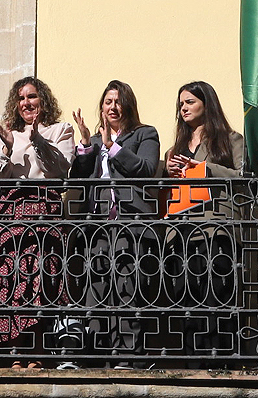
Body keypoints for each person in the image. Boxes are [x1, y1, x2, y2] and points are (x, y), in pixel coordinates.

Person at [0, 76, 75, 363]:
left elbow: (61, 169)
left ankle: (36, 350)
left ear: (43, 100)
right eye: (22, 98)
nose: (27, 103)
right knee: (11, 279)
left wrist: (38, 140)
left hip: (43, 211)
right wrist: (9, 147)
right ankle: (14, 353)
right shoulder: (8, 134)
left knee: (39, 279)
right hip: (11, 212)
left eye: (32, 97)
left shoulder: (61, 130)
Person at [70, 80, 160, 356]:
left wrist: (115, 147)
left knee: (127, 285)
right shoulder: (94, 141)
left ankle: (127, 353)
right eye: (107, 102)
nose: (112, 106)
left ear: (128, 105)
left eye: (118, 101)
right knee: (97, 284)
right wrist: (86, 145)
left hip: (130, 223)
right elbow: (78, 179)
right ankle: (99, 352)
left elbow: (146, 169)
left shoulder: (144, 134)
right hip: (98, 224)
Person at [161, 80, 246, 360]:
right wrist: (167, 170)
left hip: (216, 228)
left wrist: (205, 168)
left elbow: (243, 179)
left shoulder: (230, 139)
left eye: (190, 102)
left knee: (217, 294)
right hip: (182, 230)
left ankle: (220, 360)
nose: (183, 108)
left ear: (206, 104)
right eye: (181, 103)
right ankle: (192, 360)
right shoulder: (176, 147)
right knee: (186, 295)